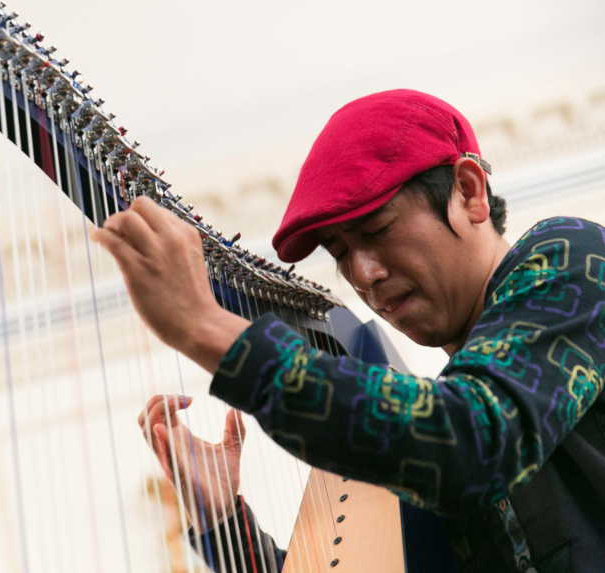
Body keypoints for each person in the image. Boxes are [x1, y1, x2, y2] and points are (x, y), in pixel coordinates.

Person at [92, 89, 605, 572]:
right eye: (339, 254)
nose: (363, 274)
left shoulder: (573, 258)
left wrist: (206, 328)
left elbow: (471, 441)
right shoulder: (446, 423)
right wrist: (224, 524)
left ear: (468, 191)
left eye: (378, 231)